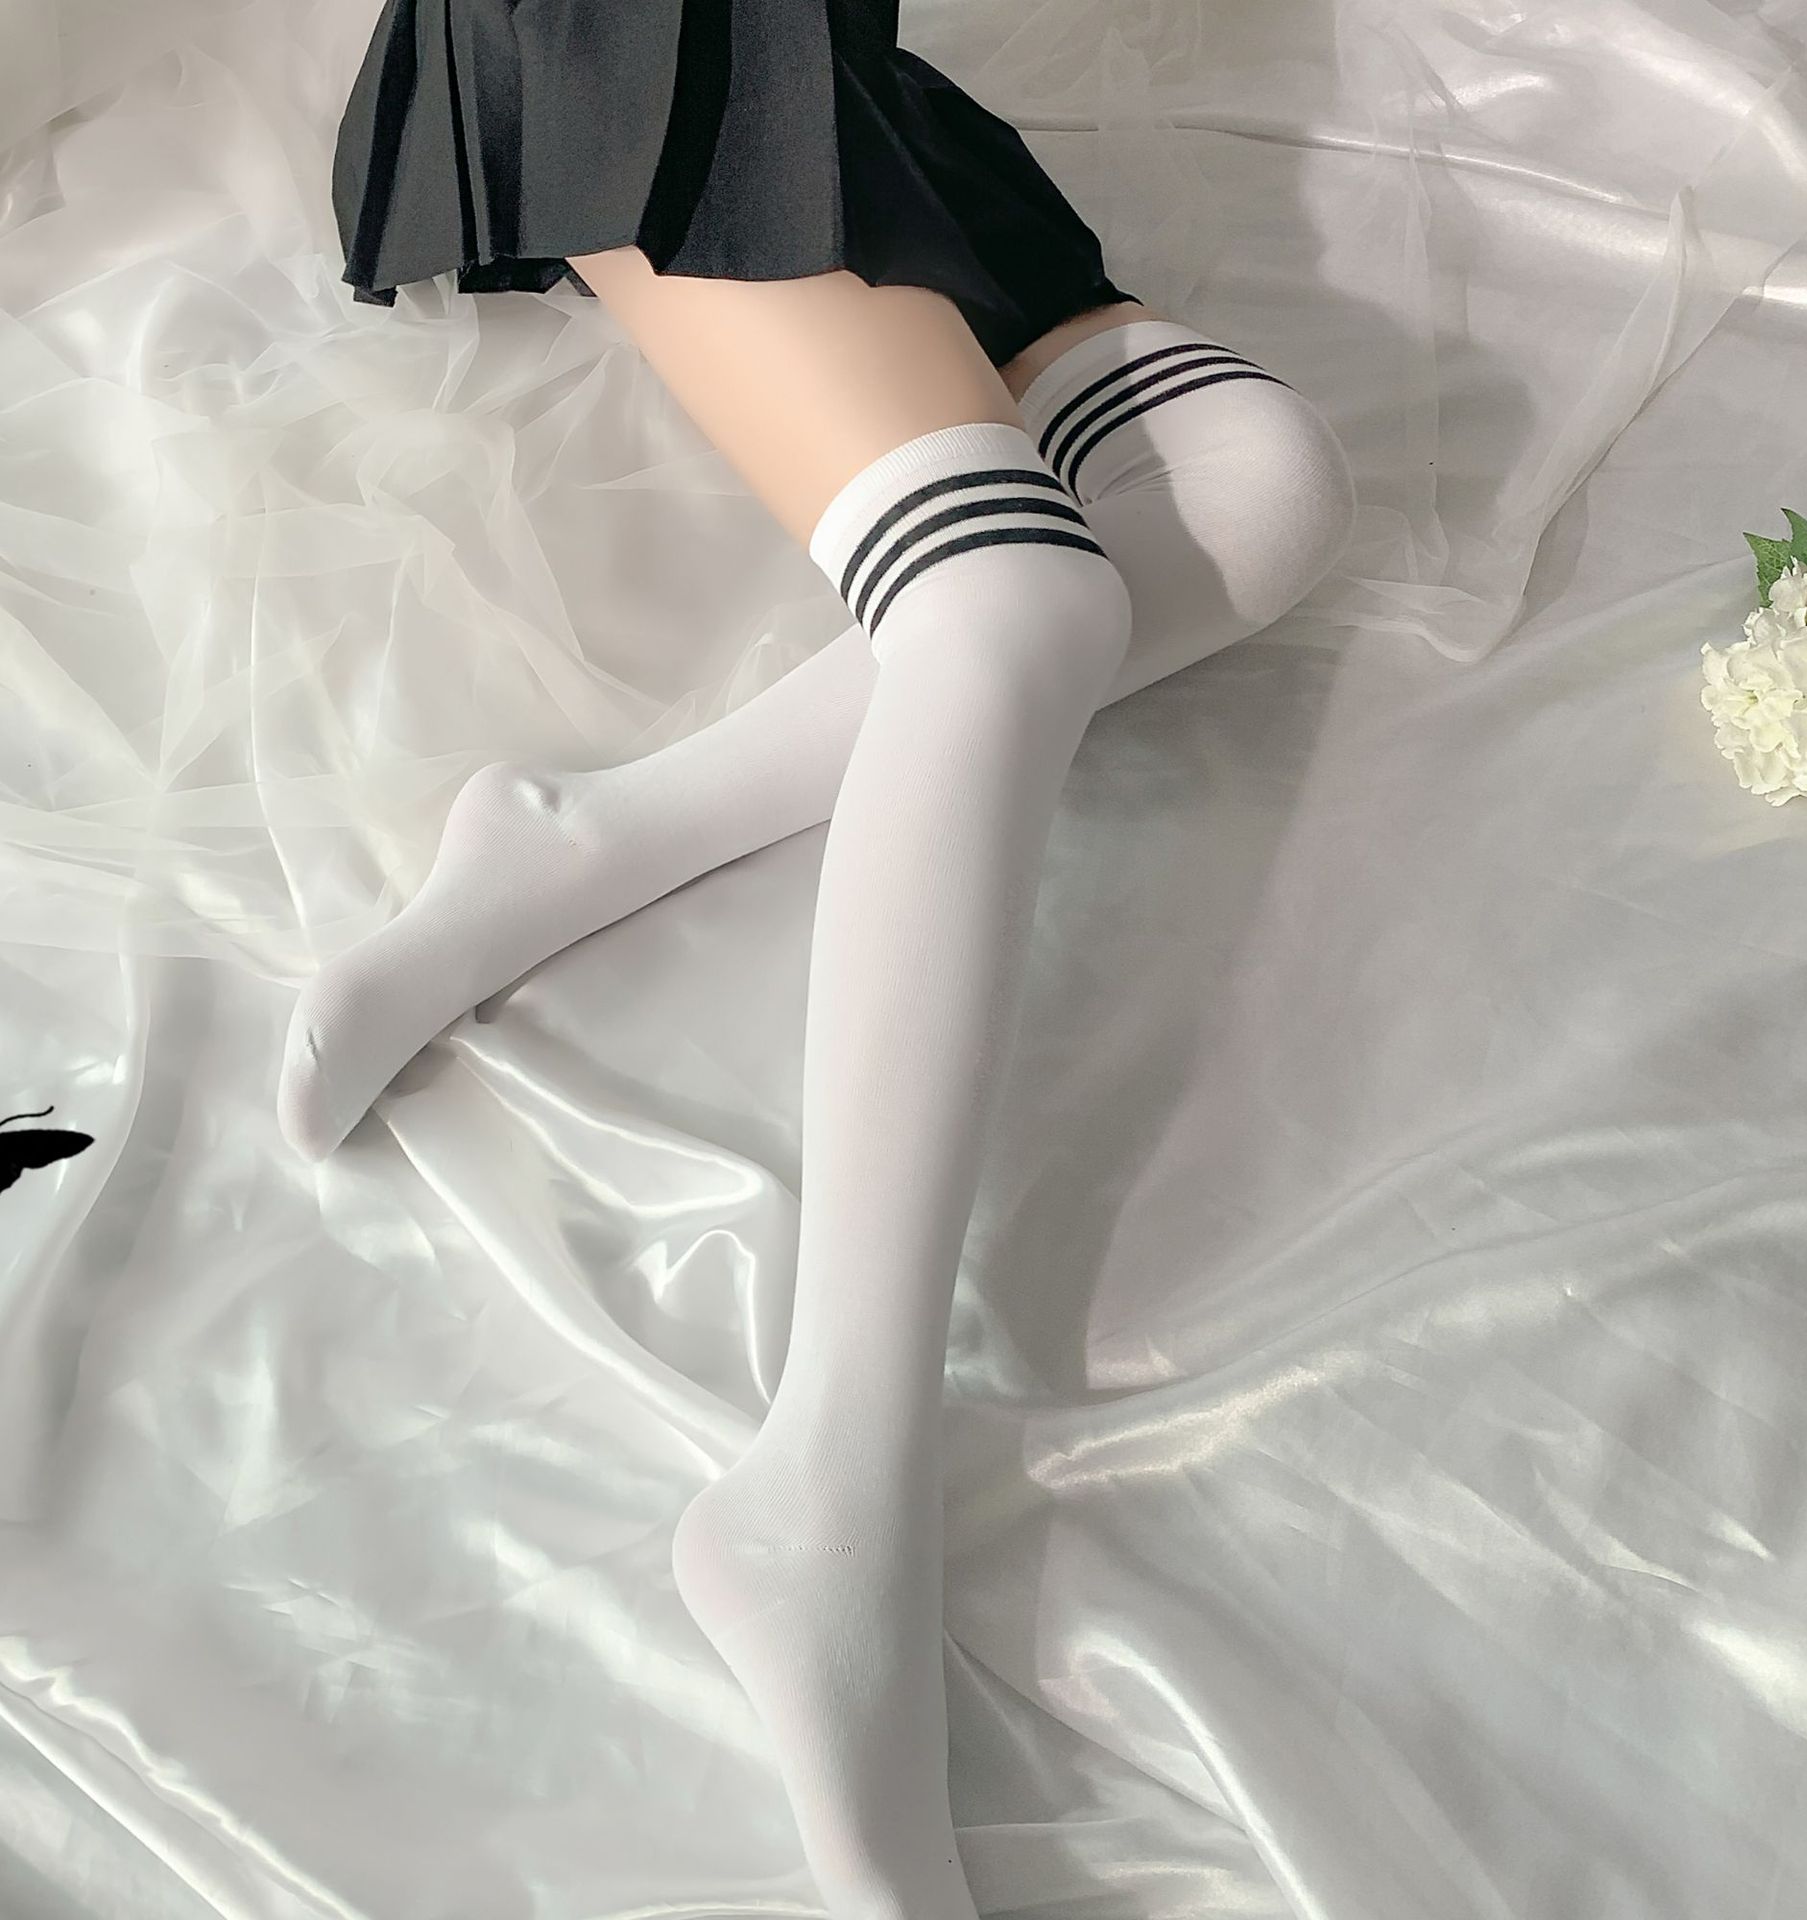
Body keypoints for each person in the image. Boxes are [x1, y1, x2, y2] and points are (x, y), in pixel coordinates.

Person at [295, 4, 1358, 1913]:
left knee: (1256, 496)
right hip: (612, 38)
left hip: (830, 75)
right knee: (1008, 607)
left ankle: (589, 837)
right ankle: (831, 1481)